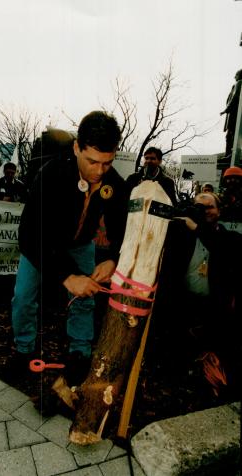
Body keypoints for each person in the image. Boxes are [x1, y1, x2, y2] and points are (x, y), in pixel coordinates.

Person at [10, 111, 128, 386]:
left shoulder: (115, 184)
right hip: (41, 244)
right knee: (24, 298)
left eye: (107, 163)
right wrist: (67, 276)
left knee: (85, 298)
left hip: (80, 245)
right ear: (77, 147)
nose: (99, 171)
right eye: (92, 161)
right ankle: (23, 351)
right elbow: (28, 235)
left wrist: (112, 259)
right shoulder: (50, 175)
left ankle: (79, 353)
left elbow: (120, 228)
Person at [156, 192, 241, 398]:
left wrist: (196, 227)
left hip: (215, 305)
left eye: (209, 207)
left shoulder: (231, 238)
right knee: (177, 349)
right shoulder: (182, 234)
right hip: (184, 302)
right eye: (198, 207)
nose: (203, 211)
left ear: (220, 211)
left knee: (214, 352)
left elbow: (222, 248)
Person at [220, 69, 242, 159]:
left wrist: (226, 109)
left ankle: (231, 154)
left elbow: (235, 97)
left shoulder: (239, 83)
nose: (234, 77)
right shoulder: (237, 84)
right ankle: (230, 154)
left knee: (231, 135)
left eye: (236, 75)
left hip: (234, 114)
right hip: (234, 114)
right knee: (231, 135)